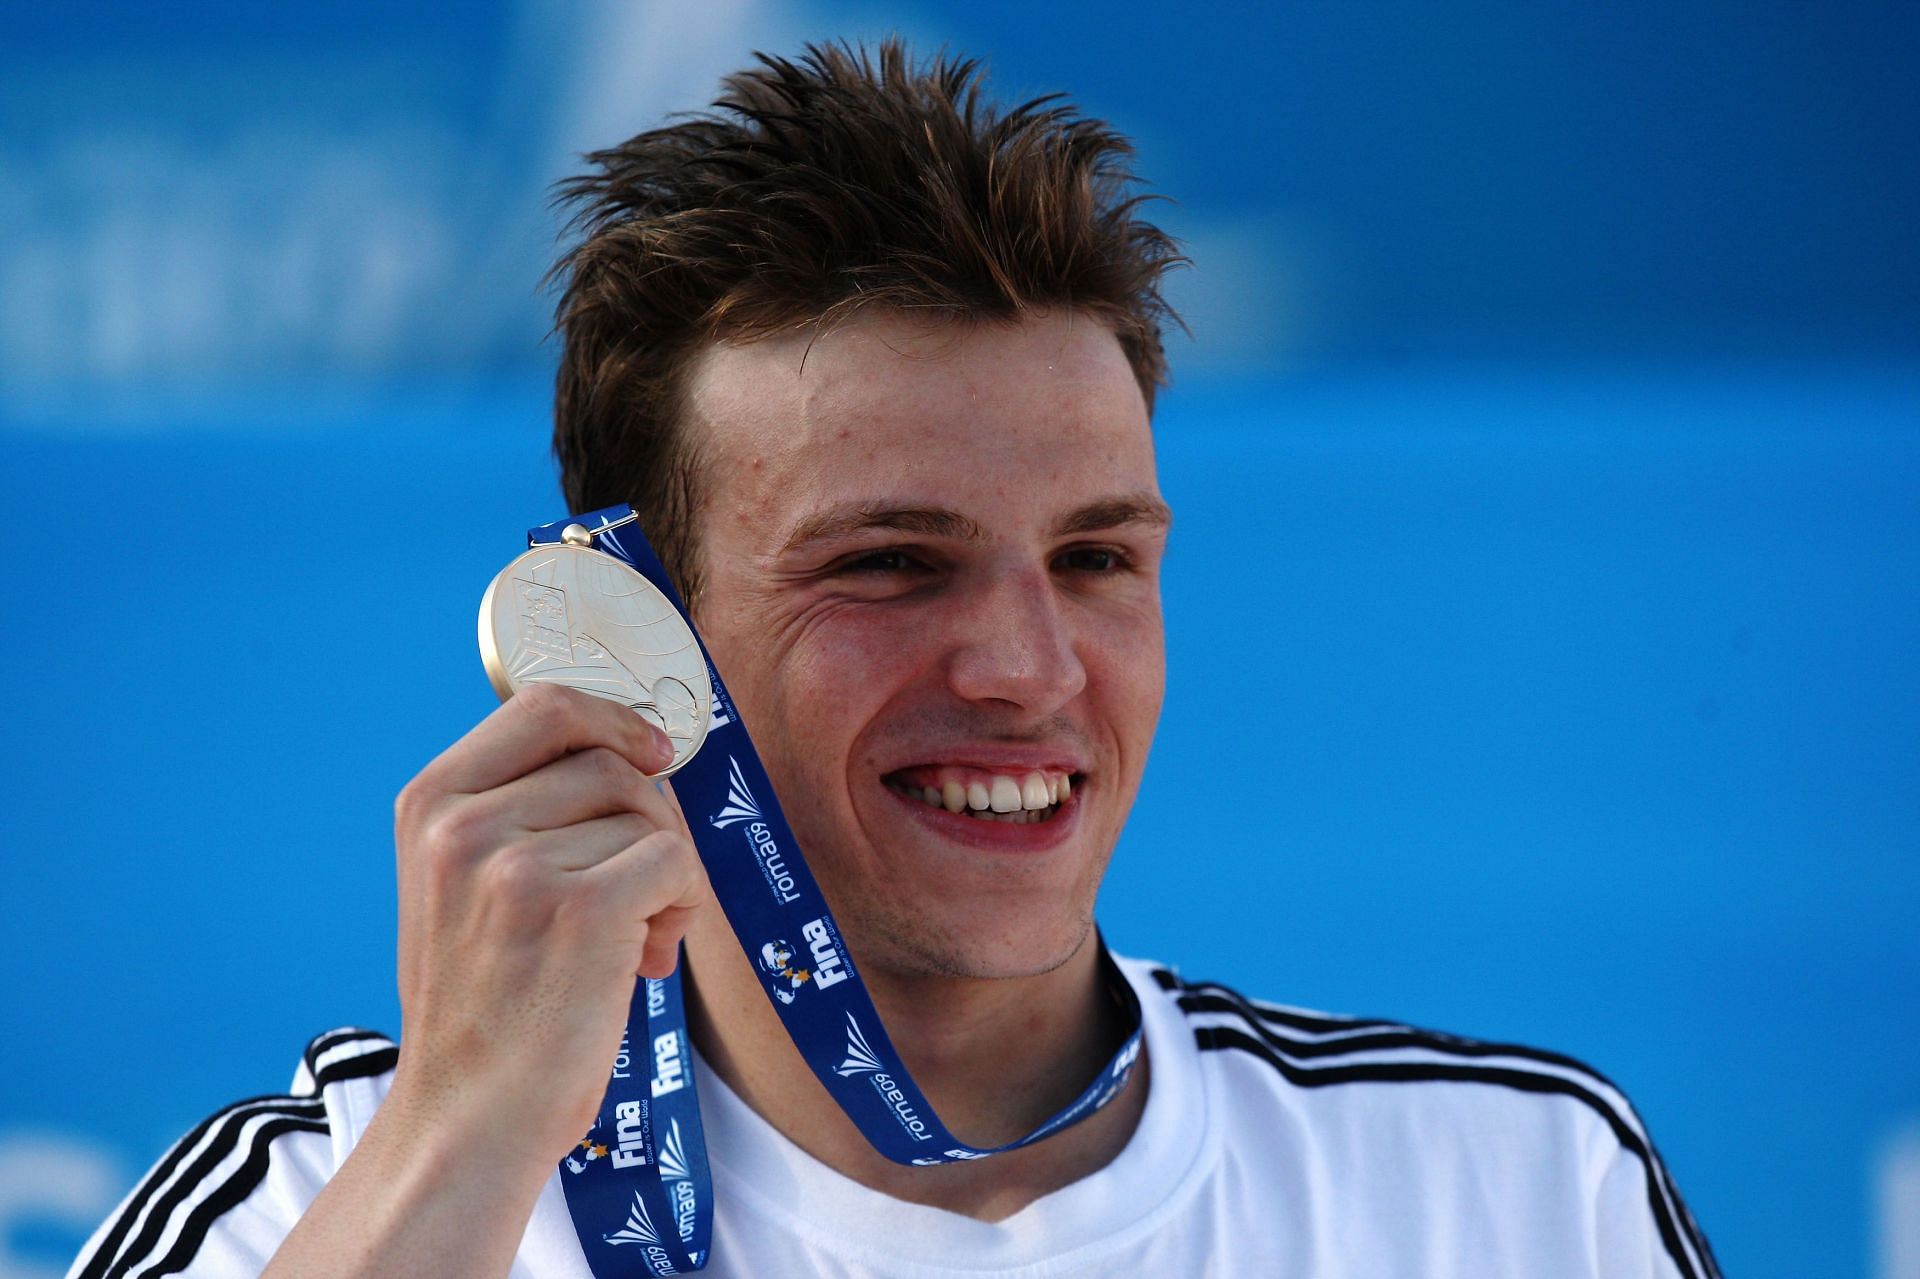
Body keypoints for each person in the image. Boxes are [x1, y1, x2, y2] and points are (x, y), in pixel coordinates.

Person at [68, 40, 1720, 1279]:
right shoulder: (317, 1199)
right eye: (889, 564)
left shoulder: (1505, 1190)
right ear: (632, 637)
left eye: (1095, 558)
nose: (1025, 667)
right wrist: (465, 1142)